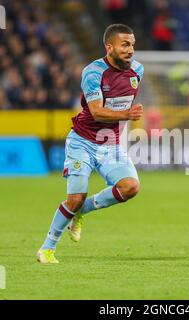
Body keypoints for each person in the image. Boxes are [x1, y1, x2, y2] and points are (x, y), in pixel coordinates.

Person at [37, 24, 144, 264]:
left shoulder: (138, 70)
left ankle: (82, 211)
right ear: (110, 47)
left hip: (111, 144)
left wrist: (122, 120)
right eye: (125, 45)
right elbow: (95, 112)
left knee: (130, 187)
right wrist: (127, 114)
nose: (131, 50)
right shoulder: (93, 72)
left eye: (133, 45)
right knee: (74, 197)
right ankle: (47, 248)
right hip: (82, 142)